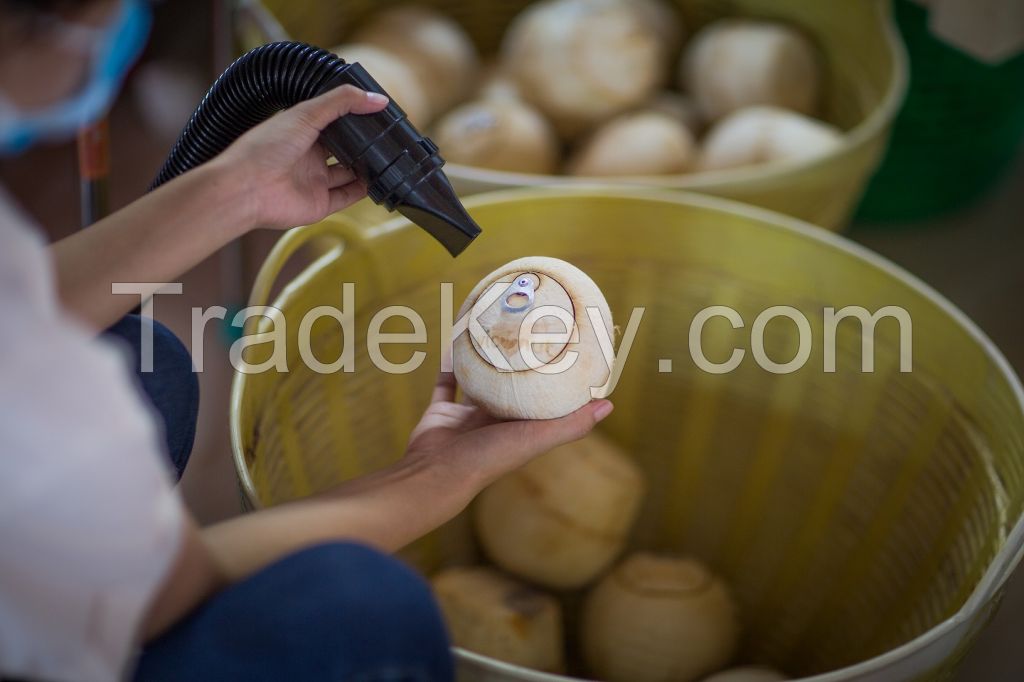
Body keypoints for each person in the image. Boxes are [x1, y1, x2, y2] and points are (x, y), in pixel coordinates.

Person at [0, 1, 614, 680]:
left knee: (151, 368)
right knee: (358, 610)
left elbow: (21, 307)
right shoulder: (40, 442)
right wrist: (439, 473)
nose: (121, 25)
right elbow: (176, 584)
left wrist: (238, 187)